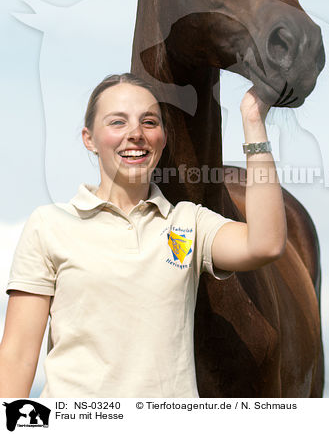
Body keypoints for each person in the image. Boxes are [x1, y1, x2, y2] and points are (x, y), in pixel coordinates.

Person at [0, 73, 286, 398]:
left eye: (149, 122)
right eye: (117, 122)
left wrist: (253, 119)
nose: (135, 134)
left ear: (162, 138)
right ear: (89, 138)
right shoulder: (49, 224)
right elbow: (18, 355)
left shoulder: (188, 223)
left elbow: (266, 243)